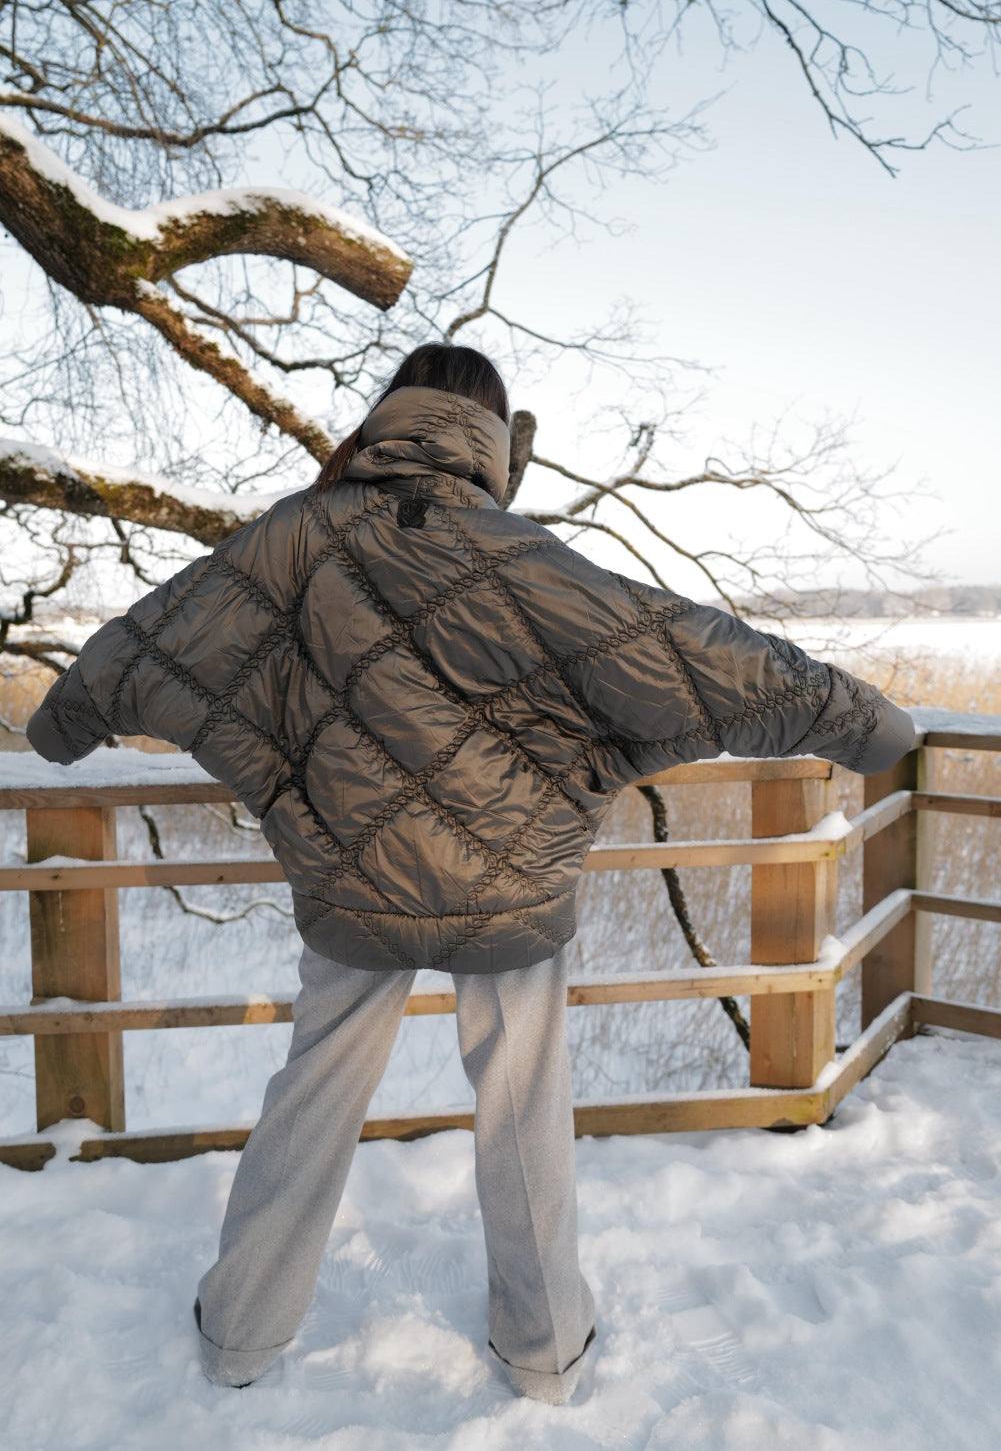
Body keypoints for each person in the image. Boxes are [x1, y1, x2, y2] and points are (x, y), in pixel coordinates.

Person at [26, 343, 915, 1404]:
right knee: (523, 1106)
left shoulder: (290, 539)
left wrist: (65, 722)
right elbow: (688, 655)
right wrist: (867, 724)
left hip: (353, 887)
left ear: (385, 419)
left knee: (311, 1099)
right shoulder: (520, 554)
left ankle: (241, 1338)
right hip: (514, 887)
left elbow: (146, 652)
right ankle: (544, 1354)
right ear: (497, 442)